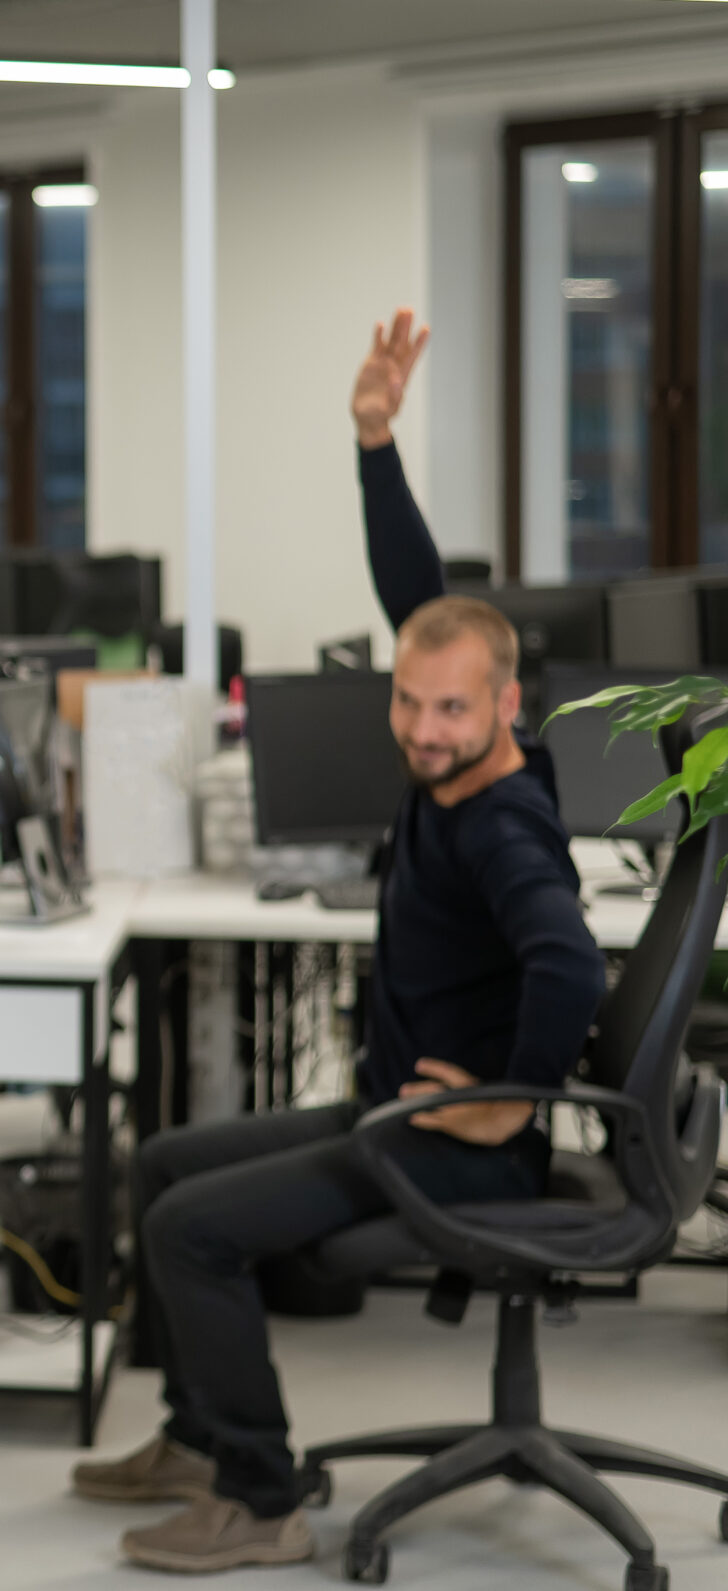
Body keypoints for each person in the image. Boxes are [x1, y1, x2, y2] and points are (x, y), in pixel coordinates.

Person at [73, 307, 607, 1573]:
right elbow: (421, 599)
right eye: (410, 702)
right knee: (162, 1164)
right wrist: (374, 439)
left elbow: (570, 963)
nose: (424, 728)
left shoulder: (498, 827)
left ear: (504, 707)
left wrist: (502, 1106)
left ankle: (259, 1494)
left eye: (450, 711)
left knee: (191, 1229)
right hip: (395, 1109)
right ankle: (200, 1437)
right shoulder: (461, 741)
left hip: (459, 1153)